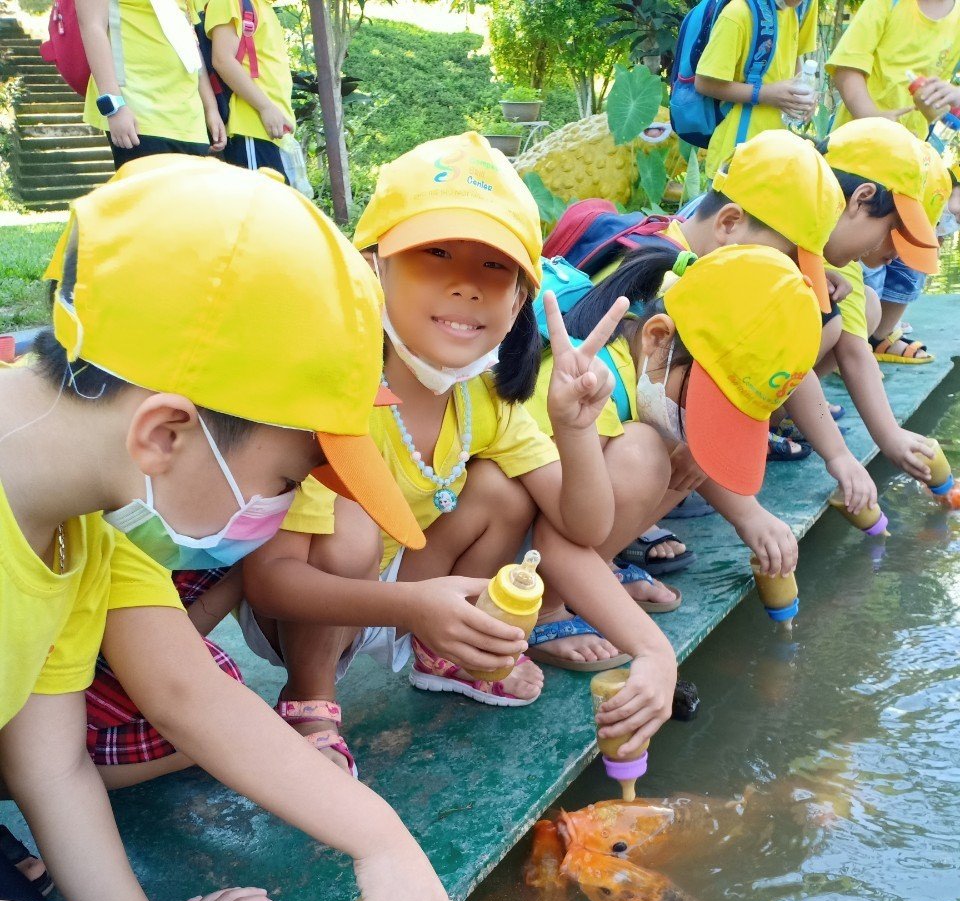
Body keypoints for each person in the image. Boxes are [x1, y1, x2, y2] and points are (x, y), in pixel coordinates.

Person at [0, 157, 456, 901]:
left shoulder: (85, 530)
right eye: (284, 481)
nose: (282, 514)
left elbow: (75, 756)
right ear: (165, 433)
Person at [241, 132, 677, 761]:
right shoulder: (333, 391)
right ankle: (310, 700)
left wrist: (576, 430)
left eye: (494, 267)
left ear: (520, 298)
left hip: (421, 591)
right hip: (312, 605)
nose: (466, 286)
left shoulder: (485, 398)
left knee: (504, 492)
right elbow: (270, 583)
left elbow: (583, 528)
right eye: (436, 253)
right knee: (351, 521)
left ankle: (441, 654)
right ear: (373, 265)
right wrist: (412, 606)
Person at [560, 243, 823, 584]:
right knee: (648, 450)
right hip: (539, 540)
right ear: (658, 336)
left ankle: (594, 568)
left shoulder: (653, 348)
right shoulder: (591, 382)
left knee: (695, 454)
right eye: (701, 401)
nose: (700, 419)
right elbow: (559, 531)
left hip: (570, 526)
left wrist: (749, 515)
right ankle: (580, 582)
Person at [814, 118, 952, 482]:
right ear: (862, 198)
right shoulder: (778, 238)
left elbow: (852, 350)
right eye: (894, 232)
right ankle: (770, 414)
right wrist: (884, 438)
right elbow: (846, 353)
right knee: (832, 324)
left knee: (866, 307)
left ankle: (781, 412)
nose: (896, 256)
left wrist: (890, 435)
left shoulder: (834, 255)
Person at [827, 0, 960, 360]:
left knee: (912, 245)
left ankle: (881, 333)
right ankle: (852, 336)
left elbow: (939, 107)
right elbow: (847, 68)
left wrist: (948, 98)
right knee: (864, 246)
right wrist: (876, 122)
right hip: (864, 155)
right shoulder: (887, 5)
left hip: (917, 159)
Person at [78, 0, 227, 167]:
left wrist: (210, 108)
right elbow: (92, 26)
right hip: (139, 112)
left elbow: (189, 40)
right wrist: (114, 106)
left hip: (191, 119)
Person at [693, 0, 819, 178]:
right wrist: (764, 94)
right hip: (736, 154)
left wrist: (802, 95)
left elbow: (794, 53)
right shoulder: (737, 13)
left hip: (778, 152)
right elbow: (703, 83)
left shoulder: (805, 6)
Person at [204, 0, 296, 180]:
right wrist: (265, 107)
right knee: (258, 197)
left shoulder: (264, 6)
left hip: (273, 128)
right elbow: (222, 60)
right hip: (251, 126)